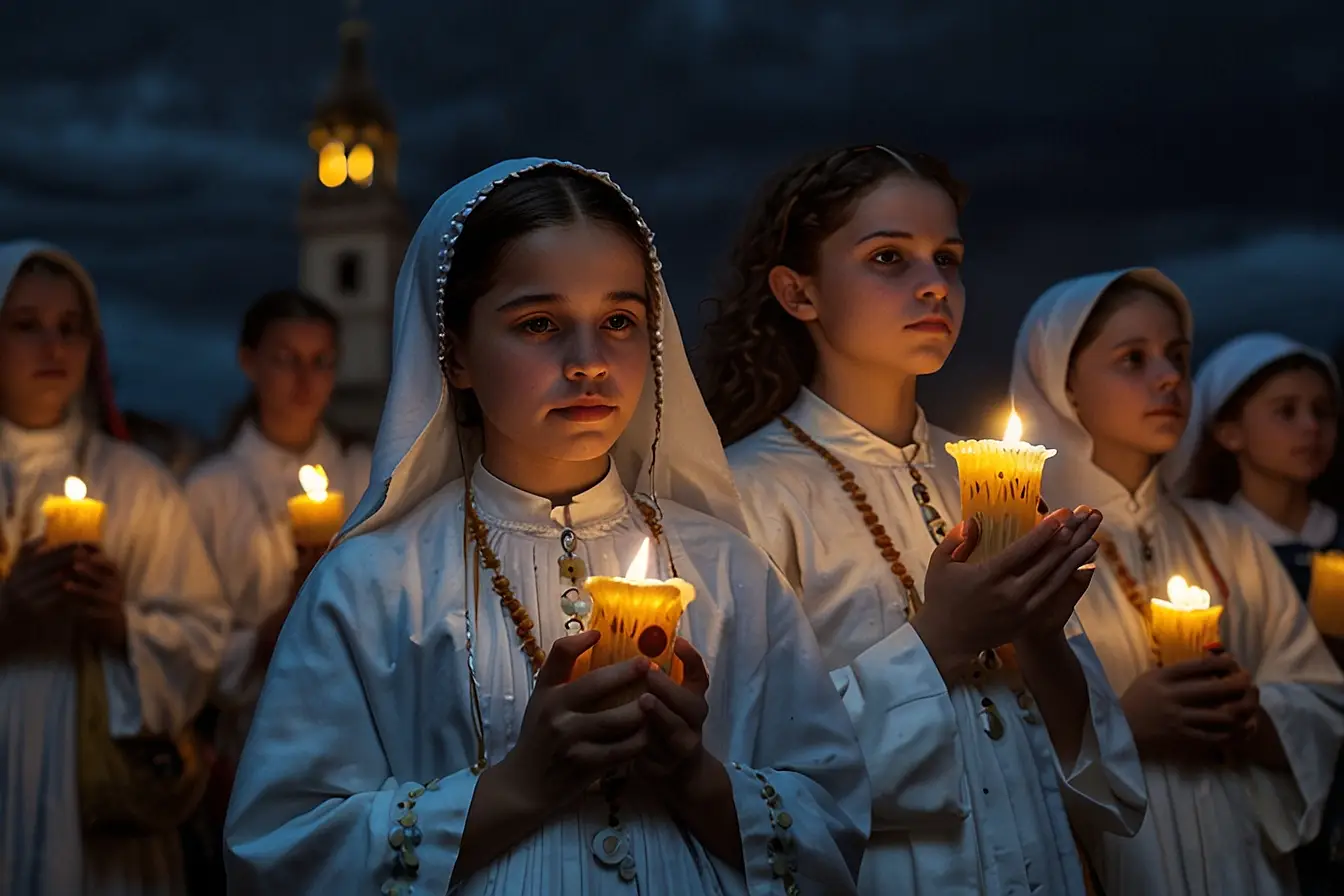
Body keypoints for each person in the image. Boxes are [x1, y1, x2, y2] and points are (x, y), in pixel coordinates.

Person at [224, 159, 870, 895]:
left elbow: (833, 820)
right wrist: (520, 786)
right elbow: (279, 852)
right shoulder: (371, 584)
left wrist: (695, 778)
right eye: (539, 324)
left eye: (620, 322)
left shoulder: (730, 571)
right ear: (456, 352)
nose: (589, 363)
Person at [700, 144, 1146, 895]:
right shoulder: (747, 496)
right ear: (797, 292)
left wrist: (1040, 638)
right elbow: (745, 773)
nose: (934, 286)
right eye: (888, 258)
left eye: (948, 258)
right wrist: (940, 640)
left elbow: (1096, 773)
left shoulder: (989, 477)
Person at [1011, 268, 1344, 895]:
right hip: (1121, 857)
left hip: (1240, 849)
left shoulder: (1228, 537)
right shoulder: (1030, 545)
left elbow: (1319, 693)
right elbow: (990, 733)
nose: (1168, 377)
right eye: (1132, 359)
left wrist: (1255, 716)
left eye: (1179, 358)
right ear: (1065, 386)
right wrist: (1123, 724)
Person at [0, 240, 228, 895]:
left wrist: (120, 627)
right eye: (27, 325)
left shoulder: (137, 483)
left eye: (71, 328)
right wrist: (10, 611)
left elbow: (201, 632)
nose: (53, 346)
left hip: (101, 782)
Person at [1165, 331, 1343, 892]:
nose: (1310, 428)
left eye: (1323, 412)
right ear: (1228, 430)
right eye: (1285, 412)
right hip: (1264, 792)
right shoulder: (1213, 549)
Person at [186, 288, 371, 766]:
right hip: (256, 729)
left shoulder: (366, 475)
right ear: (250, 363)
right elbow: (192, 623)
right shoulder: (211, 490)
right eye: (286, 360)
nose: (305, 380)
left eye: (322, 361)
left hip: (359, 720)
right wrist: (265, 636)